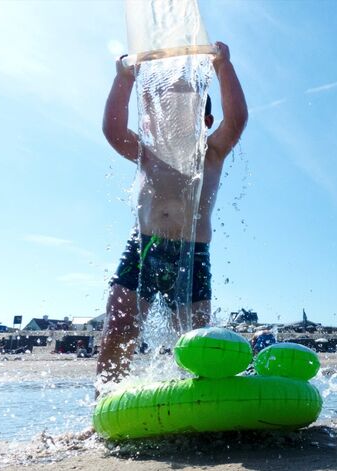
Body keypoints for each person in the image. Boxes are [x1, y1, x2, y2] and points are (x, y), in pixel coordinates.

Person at [96, 42, 248, 389]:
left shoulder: (212, 152)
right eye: (168, 107)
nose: (175, 115)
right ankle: (104, 402)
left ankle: (197, 399)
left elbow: (237, 120)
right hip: (144, 248)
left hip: (192, 256)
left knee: (195, 340)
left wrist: (225, 66)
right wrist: (124, 78)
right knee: (119, 329)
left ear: (206, 121)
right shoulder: (146, 152)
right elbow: (113, 130)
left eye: (187, 108)